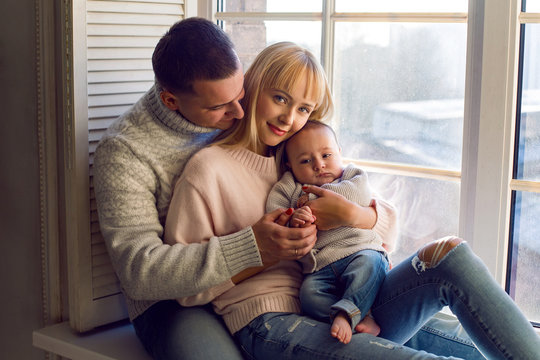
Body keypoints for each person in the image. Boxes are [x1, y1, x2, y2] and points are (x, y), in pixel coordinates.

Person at [164, 40, 540, 360]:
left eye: (304, 109)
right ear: (252, 87)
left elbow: (387, 231)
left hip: (353, 301)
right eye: (279, 98)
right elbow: (182, 286)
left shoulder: (300, 155)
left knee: (450, 255)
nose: (289, 118)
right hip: (269, 320)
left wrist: (355, 215)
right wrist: (260, 251)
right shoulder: (207, 169)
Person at [93, 18, 320, 360]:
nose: (240, 111)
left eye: (241, 94)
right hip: (172, 304)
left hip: (258, 286)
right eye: (220, 107)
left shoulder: (252, 112)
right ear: (171, 100)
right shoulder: (124, 151)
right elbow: (141, 272)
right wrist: (251, 247)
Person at [266, 120, 393, 343]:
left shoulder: (351, 175)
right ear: (289, 166)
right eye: (305, 160)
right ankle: (358, 315)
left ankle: (347, 315)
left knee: (371, 266)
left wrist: (310, 202)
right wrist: (294, 219)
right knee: (309, 297)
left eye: (326, 155)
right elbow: (276, 219)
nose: (319, 165)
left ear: (339, 153)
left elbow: (358, 197)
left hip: (360, 251)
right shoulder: (288, 188)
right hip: (319, 267)